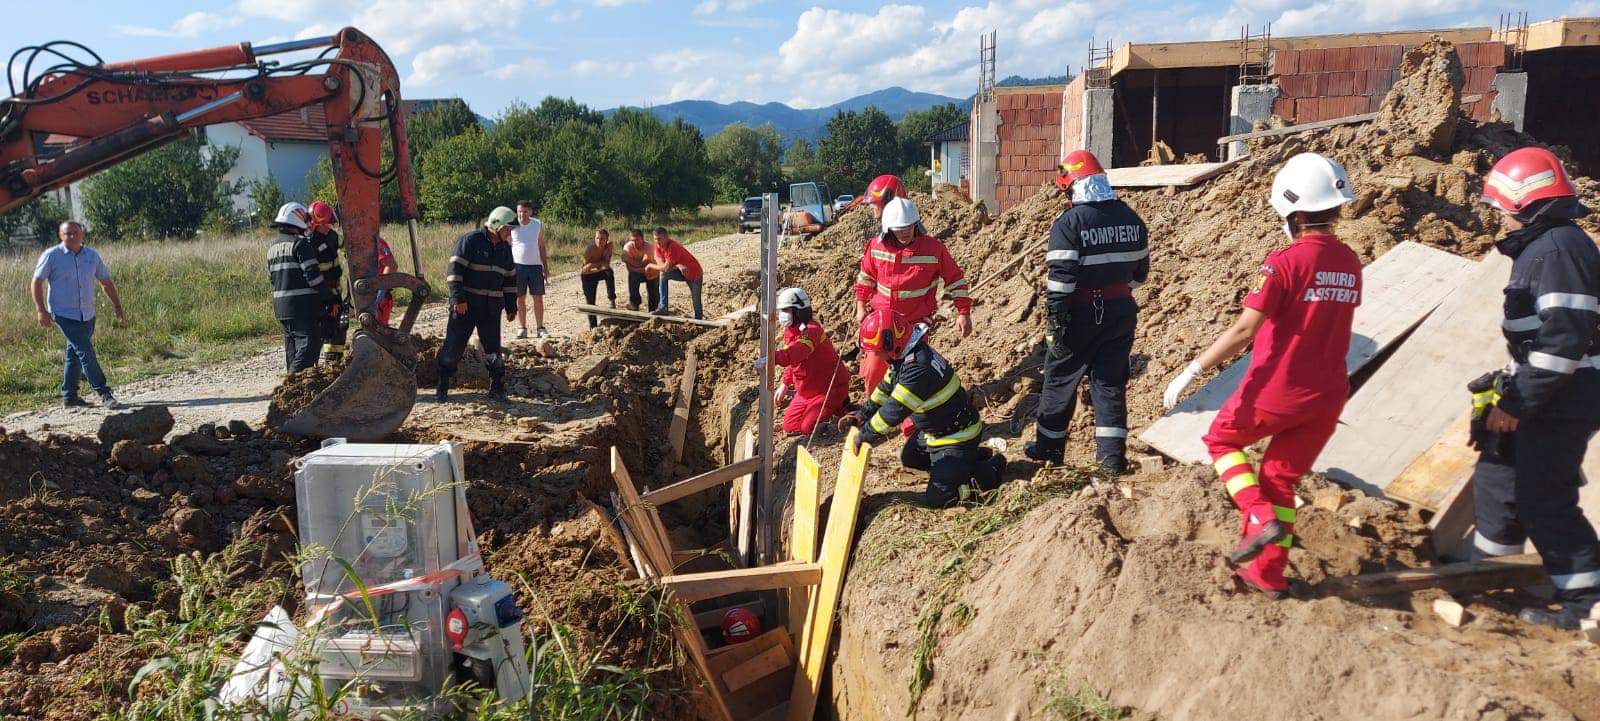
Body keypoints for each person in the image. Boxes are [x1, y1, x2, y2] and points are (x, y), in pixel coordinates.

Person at [1161, 153, 1361, 599]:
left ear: (1295, 214)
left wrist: (1192, 370)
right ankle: (1269, 575)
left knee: (1221, 441)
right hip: (1328, 396)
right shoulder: (1350, 261)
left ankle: (1256, 515)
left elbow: (1244, 330)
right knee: (1278, 480)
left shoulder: (1285, 262)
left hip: (1279, 389)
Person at [1465, 146, 1600, 629]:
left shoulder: (1559, 250)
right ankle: (1494, 581)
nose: (1498, 218)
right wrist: (1505, 388)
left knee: (1545, 497)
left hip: (1566, 398)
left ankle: (1586, 603)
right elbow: (1538, 341)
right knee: (1497, 478)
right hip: (1549, 391)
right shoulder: (1546, 247)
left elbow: (1563, 339)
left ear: (1525, 204)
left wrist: (1517, 402)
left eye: (1501, 208)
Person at [1025, 149, 1150, 474]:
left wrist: (1055, 323)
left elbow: (1061, 283)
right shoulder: (1131, 218)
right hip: (1121, 312)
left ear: (1072, 186)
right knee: (1109, 384)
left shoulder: (1069, 223)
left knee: (1059, 379)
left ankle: (1048, 451)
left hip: (1079, 314)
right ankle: (1111, 459)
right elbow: (1140, 275)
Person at [840, 309, 1006, 507]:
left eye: (877, 350)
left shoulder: (917, 368)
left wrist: (865, 434)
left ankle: (986, 472)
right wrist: (863, 413)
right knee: (910, 458)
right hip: (934, 431)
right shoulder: (905, 356)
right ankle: (966, 461)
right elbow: (885, 388)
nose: (875, 355)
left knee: (939, 499)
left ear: (892, 344)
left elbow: (893, 411)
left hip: (956, 436)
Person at [853, 197, 972, 394]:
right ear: (888, 228)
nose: (905, 232)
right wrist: (860, 306)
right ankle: (875, 410)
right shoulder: (876, 247)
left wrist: (963, 312)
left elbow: (955, 280)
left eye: (909, 226)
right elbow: (865, 278)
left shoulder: (933, 250)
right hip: (882, 324)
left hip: (914, 327)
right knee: (874, 372)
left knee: (912, 376)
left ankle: (909, 412)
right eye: (899, 229)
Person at [31, 220, 126, 409]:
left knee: (74, 354)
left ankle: (70, 396)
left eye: (76, 232)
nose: (72, 236)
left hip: (87, 314)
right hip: (63, 314)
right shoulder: (52, 256)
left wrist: (117, 306)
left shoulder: (91, 255)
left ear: (82, 234)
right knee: (86, 351)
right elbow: (36, 282)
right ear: (61, 236)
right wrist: (41, 310)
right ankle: (103, 392)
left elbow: (105, 282)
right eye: (68, 233)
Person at [437, 206, 518, 402]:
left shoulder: (505, 250)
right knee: (453, 347)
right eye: (508, 229)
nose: (510, 233)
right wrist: (458, 299)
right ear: (497, 225)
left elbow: (510, 280)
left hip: (491, 308)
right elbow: (454, 272)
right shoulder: (470, 241)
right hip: (466, 306)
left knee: (493, 350)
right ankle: (442, 386)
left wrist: (511, 307)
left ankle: (497, 387)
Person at [768, 287, 850, 435]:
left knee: (808, 427)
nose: (782, 315)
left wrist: (772, 358)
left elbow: (797, 353)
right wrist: (785, 384)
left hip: (828, 389)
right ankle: (827, 409)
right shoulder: (791, 331)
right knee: (790, 426)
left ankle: (840, 406)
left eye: (786, 310)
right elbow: (794, 363)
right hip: (806, 392)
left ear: (798, 311)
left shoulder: (812, 330)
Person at [267, 202, 330, 373]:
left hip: (281, 308)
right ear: (298, 219)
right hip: (301, 307)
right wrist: (327, 296)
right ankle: (291, 381)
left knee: (292, 350)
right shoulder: (300, 245)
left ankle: (296, 386)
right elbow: (313, 277)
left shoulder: (272, 248)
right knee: (309, 345)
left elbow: (272, 279)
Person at [306, 200, 347, 363]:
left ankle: (334, 362)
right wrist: (328, 301)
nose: (330, 225)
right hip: (322, 295)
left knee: (339, 327)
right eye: (327, 222)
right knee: (326, 328)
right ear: (318, 224)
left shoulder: (333, 236)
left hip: (335, 291)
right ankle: (325, 363)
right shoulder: (309, 243)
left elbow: (348, 246)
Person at [510, 200, 549, 338]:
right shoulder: (512, 225)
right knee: (520, 299)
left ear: (530, 212)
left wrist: (545, 267)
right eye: (519, 212)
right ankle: (522, 328)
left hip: (535, 266)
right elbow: (506, 245)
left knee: (538, 298)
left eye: (525, 211)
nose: (522, 214)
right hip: (517, 266)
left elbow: (541, 246)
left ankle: (540, 328)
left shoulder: (537, 224)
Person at [647, 227, 704, 319]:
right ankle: (663, 307)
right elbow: (661, 265)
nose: (657, 242)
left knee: (696, 300)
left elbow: (665, 267)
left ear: (666, 237)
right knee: (663, 275)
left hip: (694, 273)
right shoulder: (658, 247)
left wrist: (650, 266)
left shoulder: (672, 247)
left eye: (659, 239)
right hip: (681, 272)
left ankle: (699, 319)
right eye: (655, 239)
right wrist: (677, 265)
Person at [579, 228, 618, 327]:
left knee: (609, 272)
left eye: (602, 239)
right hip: (588, 275)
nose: (599, 241)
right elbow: (584, 270)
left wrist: (595, 265)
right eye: (597, 238)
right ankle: (593, 327)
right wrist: (598, 265)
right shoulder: (590, 249)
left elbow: (607, 265)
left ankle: (612, 300)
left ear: (606, 240)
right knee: (590, 302)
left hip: (599, 271)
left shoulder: (609, 246)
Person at [621, 229, 659, 311]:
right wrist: (638, 265)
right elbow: (629, 268)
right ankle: (634, 304)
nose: (634, 242)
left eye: (637, 240)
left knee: (653, 293)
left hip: (652, 272)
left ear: (642, 239)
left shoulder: (649, 247)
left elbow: (647, 265)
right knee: (632, 277)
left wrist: (633, 265)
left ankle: (653, 309)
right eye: (632, 240)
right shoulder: (627, 247)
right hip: (638, 272)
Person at [374, 236, 399, 327]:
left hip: (378, 297)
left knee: (378, 330)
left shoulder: (376, 243)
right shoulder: (364, 243)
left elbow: (392, 265)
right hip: (369, 294)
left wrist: (381, 291)